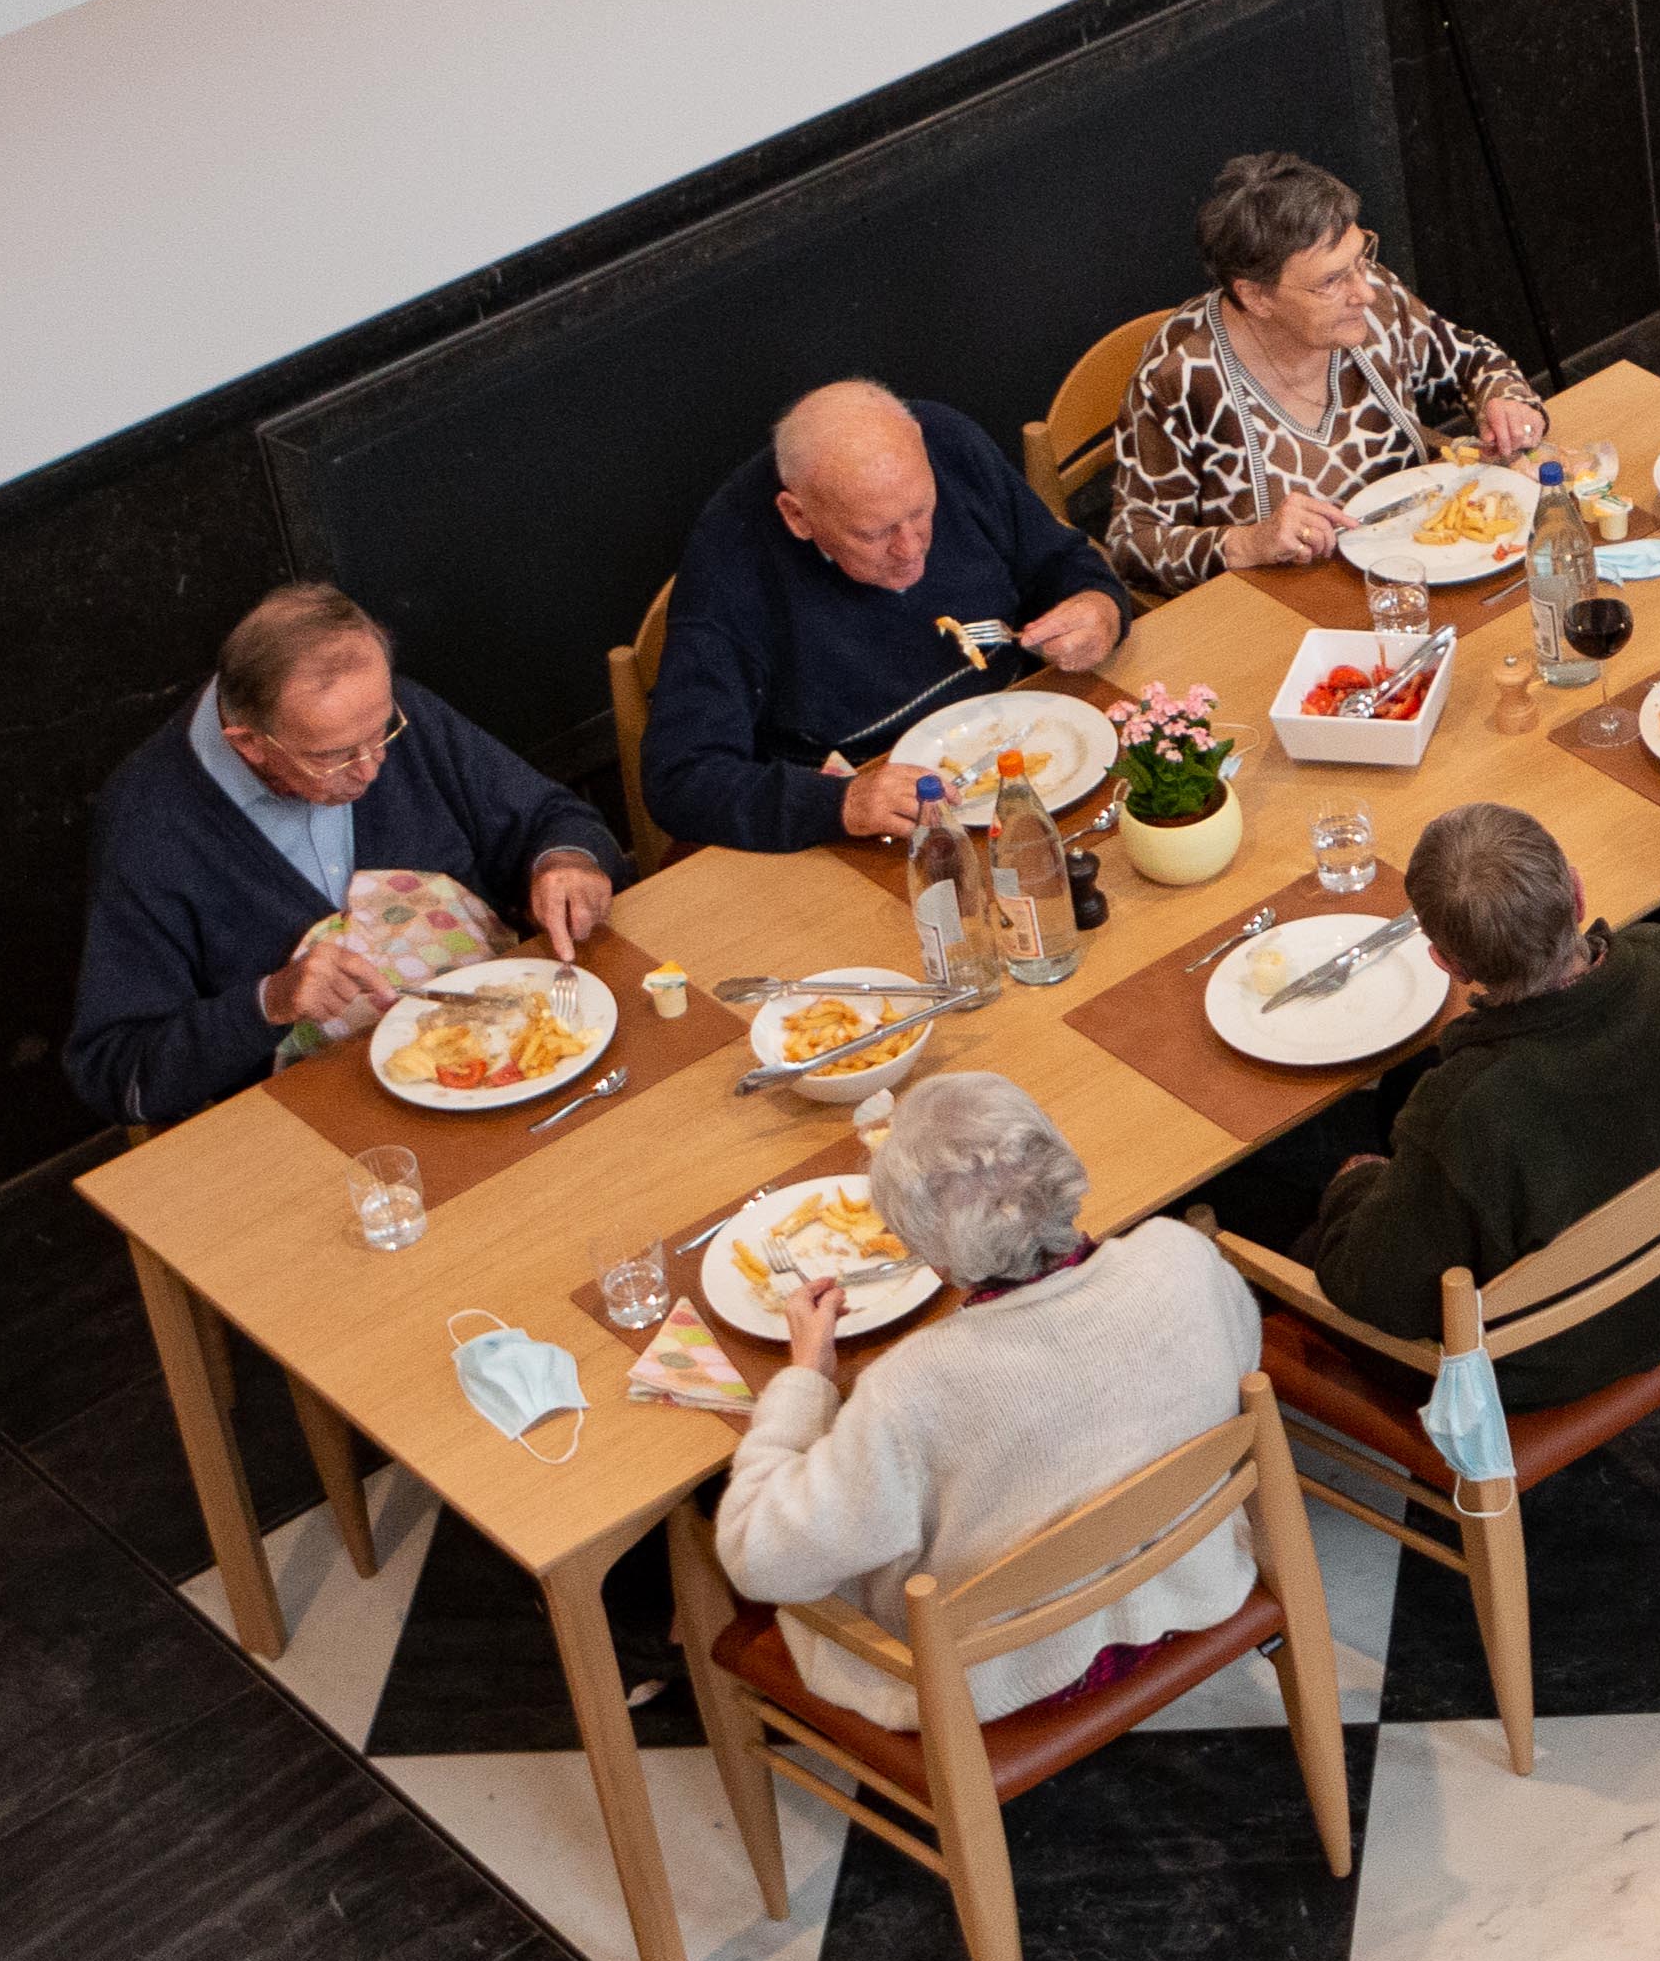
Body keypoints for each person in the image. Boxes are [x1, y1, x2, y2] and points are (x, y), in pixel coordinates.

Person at [715, 1072, 1263, 1727]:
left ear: (933, 1256)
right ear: (1059, 1162)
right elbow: (1237, 1365)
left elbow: (755, 1553)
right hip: (1190, 1582)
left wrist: (805, 1377)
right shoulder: (1183, 1256)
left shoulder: (911, 1386)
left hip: (1010, 1677)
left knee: (710, 1524)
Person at [70, 584, 620, 1128]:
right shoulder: (150, 827)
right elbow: (118, 1072)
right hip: (323, 1128)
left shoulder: (378, 716)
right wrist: (269, 1002)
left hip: (512, 1054)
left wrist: (566, 863)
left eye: (382, 732)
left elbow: (553, 819)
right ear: (249, 743)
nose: (371, 767)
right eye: (333, 757)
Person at [1283, 805, 1660, 1408]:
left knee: (1279, 1210)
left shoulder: (1465, 1112)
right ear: (1577, 894)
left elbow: (1377, 1295)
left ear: (1448, 964)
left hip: (1532, 1368)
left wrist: (1353, 1187)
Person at [645, 379, 1129, 857]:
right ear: (798, 516)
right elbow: (682, 778)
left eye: (921, 511)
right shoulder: (731, 564)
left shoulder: (949, 442)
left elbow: (1063, 564)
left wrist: (1100, 607)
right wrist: (840, 803)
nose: (912, 547)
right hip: (865, 829)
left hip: (1032, 752)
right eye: (874, 534)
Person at [1105, 152, 1552, 590]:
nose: (1364, 291)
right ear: (1256, 296)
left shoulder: (1372, 296)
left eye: (1361, 258)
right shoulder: (1180, 375)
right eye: (1330, 281)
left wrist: (1503, 398)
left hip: (1422, 568)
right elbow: (1134, 543)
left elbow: (1470, 360)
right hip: (1276, 613)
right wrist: (1246, 542)